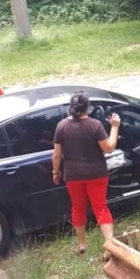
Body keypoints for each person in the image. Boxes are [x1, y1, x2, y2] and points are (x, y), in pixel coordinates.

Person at [52, 91, 121, 255]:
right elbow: (109, 148)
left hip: (73, 175)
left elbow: (56, 155)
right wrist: (115, 126)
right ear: (87, 107)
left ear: (71, 106)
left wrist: (56, 172)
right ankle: (110, 245)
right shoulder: (95, 125)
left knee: (78, 208)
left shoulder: (61, 126)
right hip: (96, 174)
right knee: (101, 208)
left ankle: (82, 245)